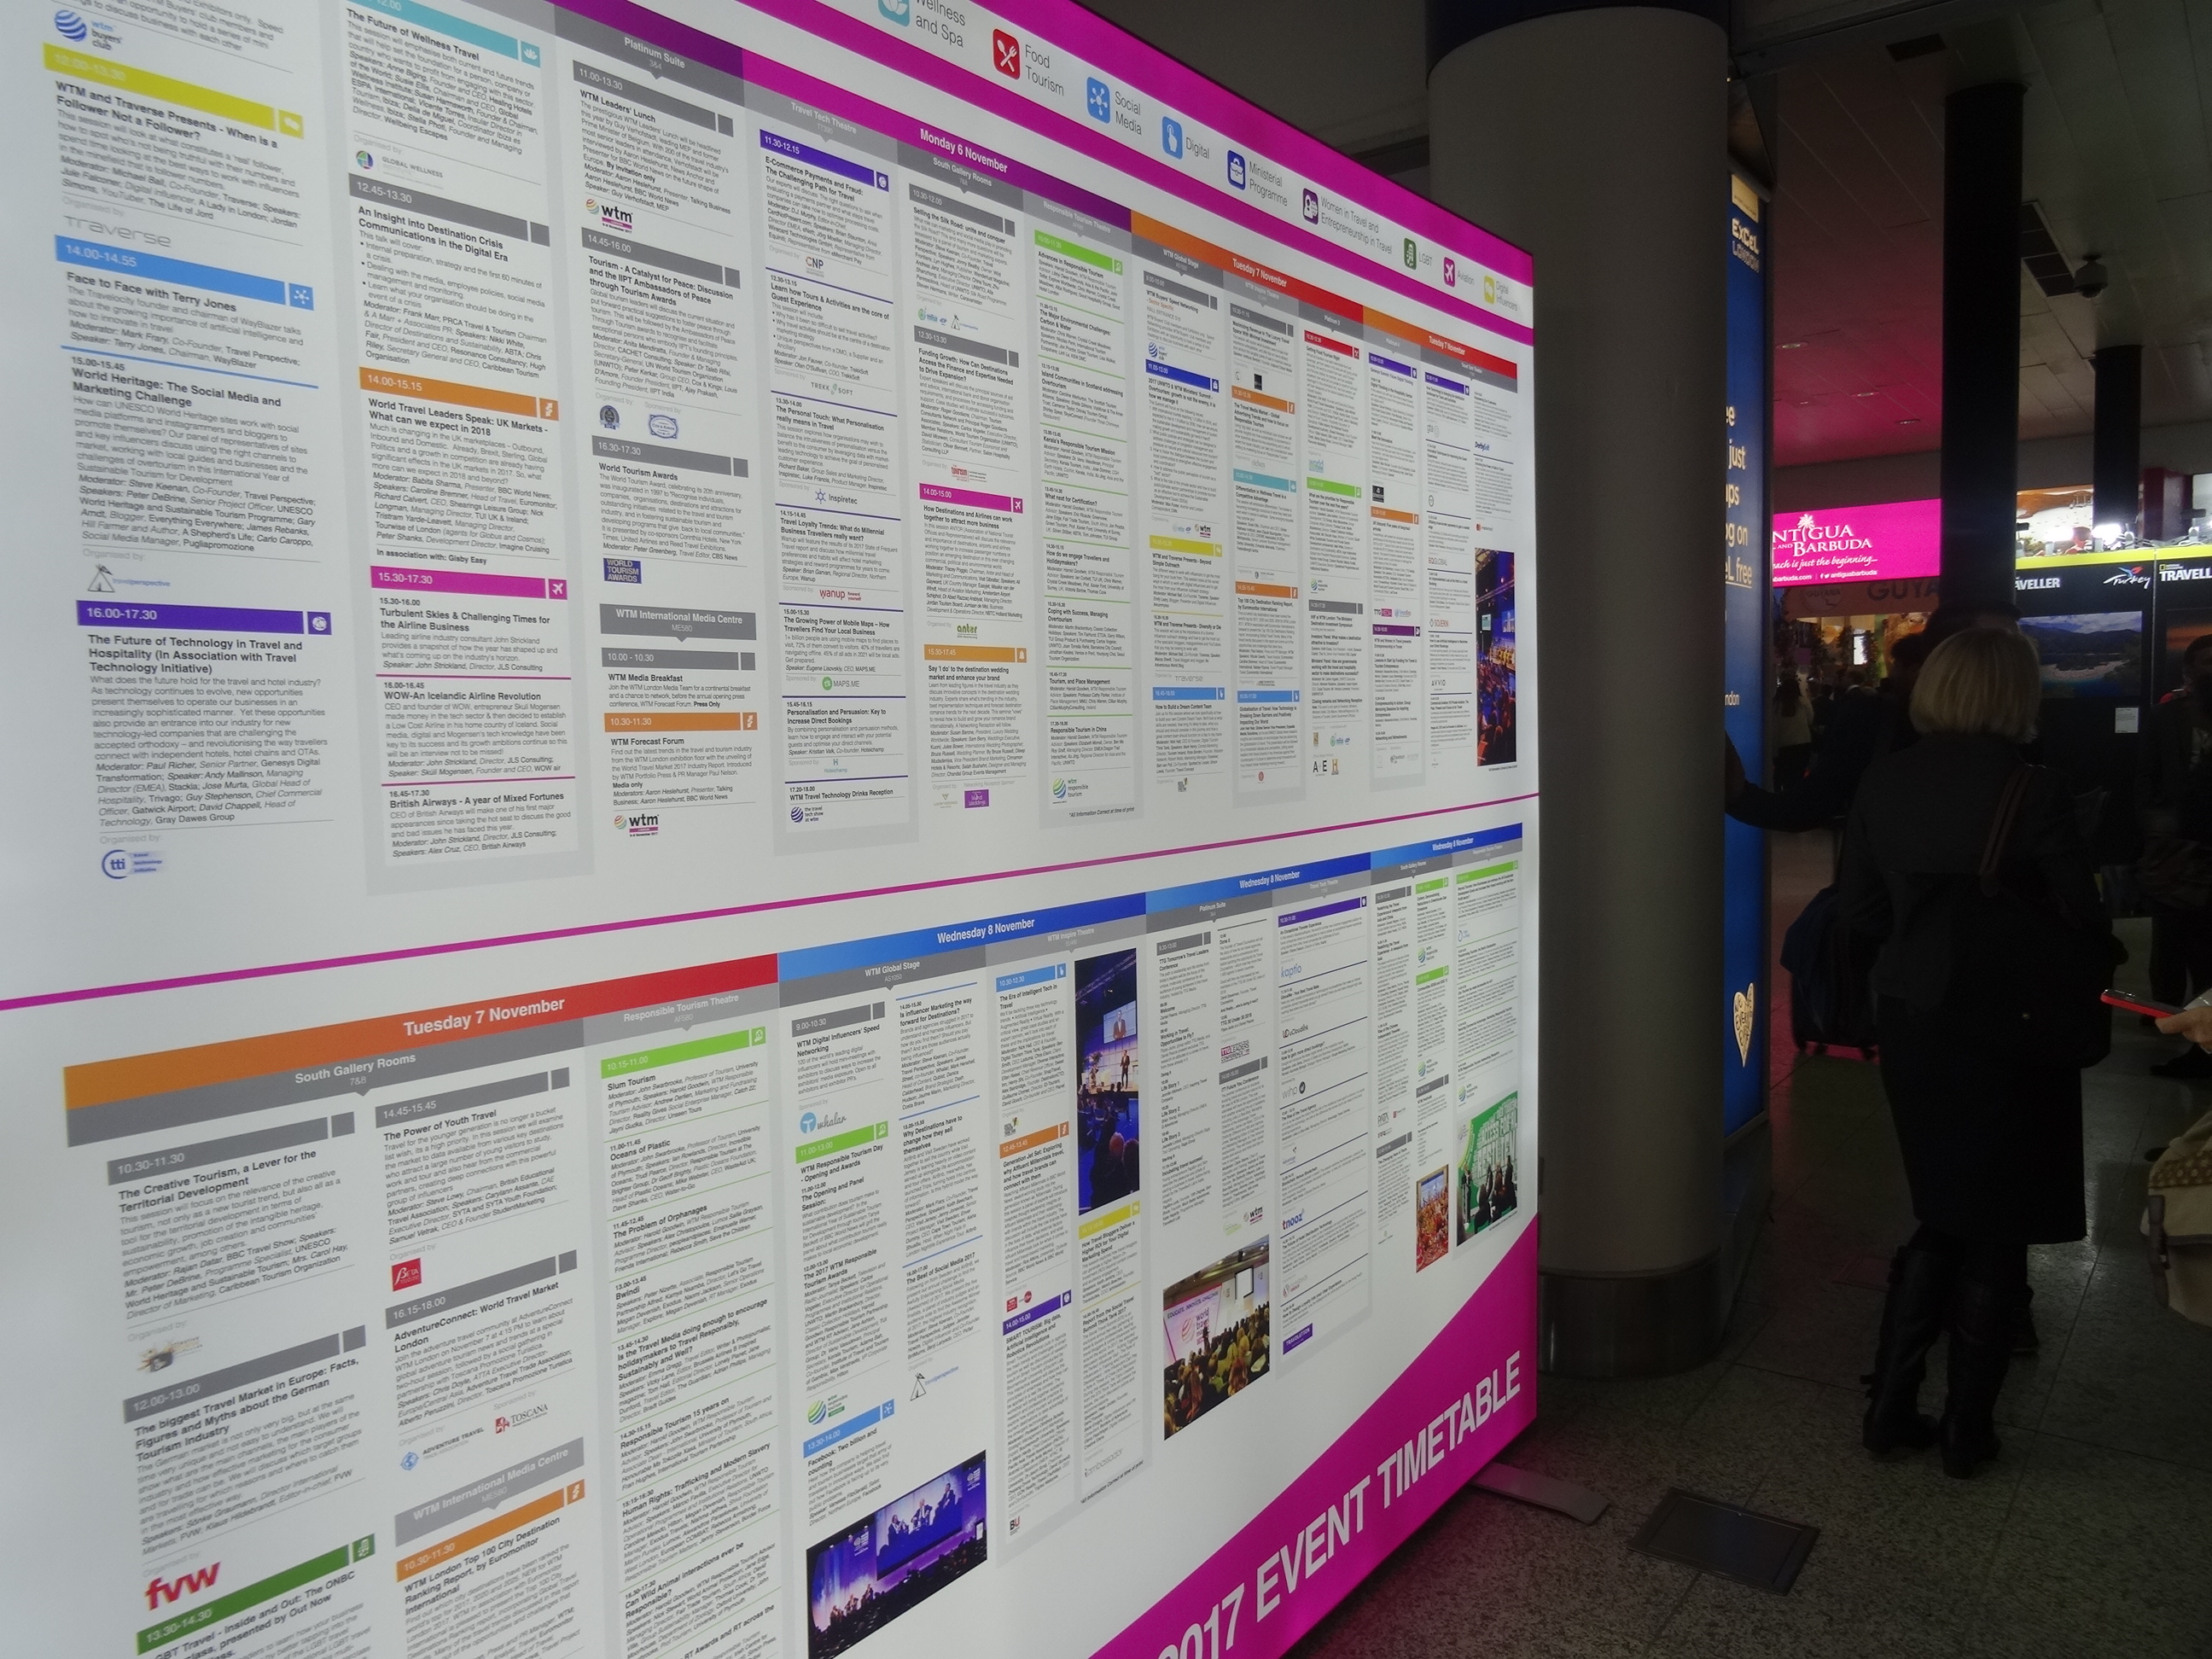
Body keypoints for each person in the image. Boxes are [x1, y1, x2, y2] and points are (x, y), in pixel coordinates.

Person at [1842, 628, 2103, 1478]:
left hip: (1913, 1020)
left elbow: (1862, 911)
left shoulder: (1885, 780)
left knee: (1944, 1202)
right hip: (2013, 1026)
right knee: (2001, 1217)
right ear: (2014, 695)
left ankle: (1890, 1406)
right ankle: (1966, 1428)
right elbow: (2083, 920)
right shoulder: (2035, 789)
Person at [2137, 632, 2212, 1076]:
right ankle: (2167, 1011)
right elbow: (2146, 775)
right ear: (2188, 671)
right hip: (2174, 848)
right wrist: (2154, 829)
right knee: (2171, 936)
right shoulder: (2165, 717)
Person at [1773, 668, 1813, 786]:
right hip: (1803, 743)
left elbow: (1774, 728)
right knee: (1798, 777)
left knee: (1785, 777)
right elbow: (1811, 720)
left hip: (1784, 745)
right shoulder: (1803, 702)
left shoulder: (1777, 705)